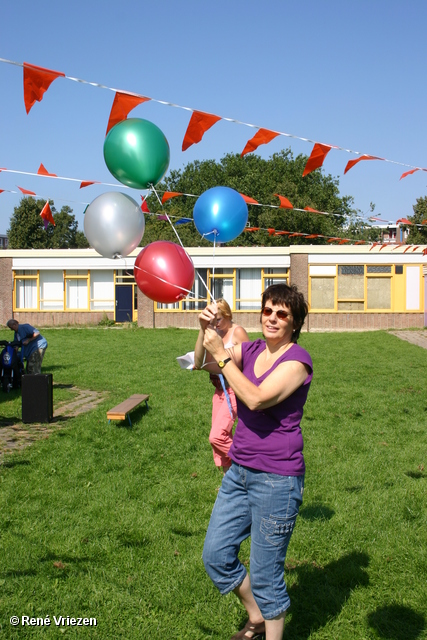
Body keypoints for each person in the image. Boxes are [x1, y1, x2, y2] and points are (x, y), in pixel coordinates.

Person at [197, 284, 312, 640]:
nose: (272, 319)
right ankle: (257, 617)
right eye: (268, 311)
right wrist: (205, 332)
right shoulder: (252, 349)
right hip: (240, 471)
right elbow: (204, 364)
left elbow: (257, 399)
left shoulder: (298, 360)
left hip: (277, 478)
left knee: (265, 574)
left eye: (282, 314)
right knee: (216, 556)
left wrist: (226, 357)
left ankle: (270, 630)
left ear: (294, 323)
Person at [194, 299, 249, 474]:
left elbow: (250, 360)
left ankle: (248, 463)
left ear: (227, 315)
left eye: (218, 319)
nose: (215, 323)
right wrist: (203, 328)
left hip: (233, 390)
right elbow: (201, 360)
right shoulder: (214, 332)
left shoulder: (237, 332)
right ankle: (229, 483)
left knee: (217, 437)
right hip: (219, 390)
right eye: (212, 320)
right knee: (217, 445)